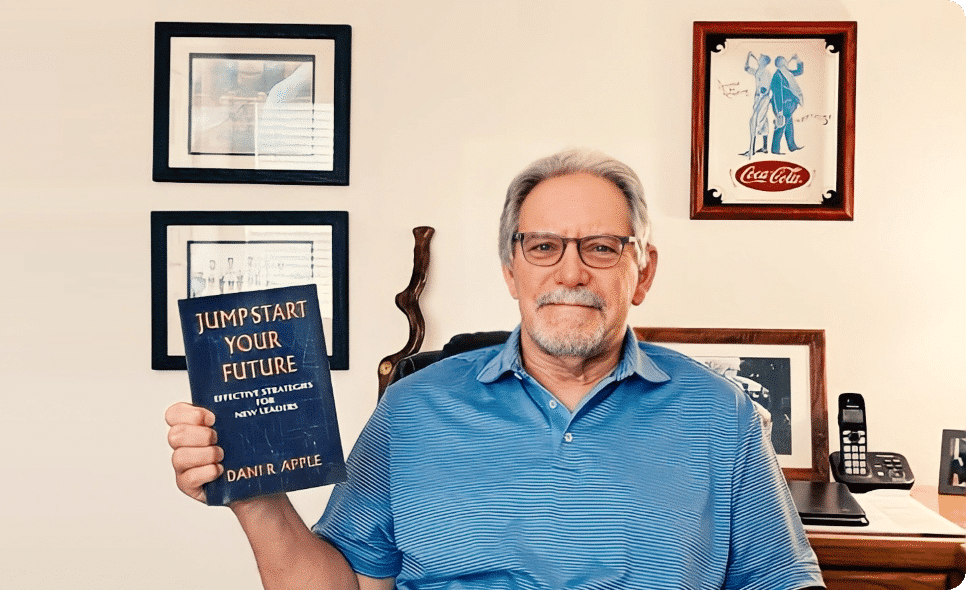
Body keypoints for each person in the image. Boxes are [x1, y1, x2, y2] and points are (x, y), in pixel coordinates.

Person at [166, 149, 823, 590]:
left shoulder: (719, 414)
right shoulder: (413, 410)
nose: (570, 272)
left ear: (642, 271)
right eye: (543, 247)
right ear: (512, 270)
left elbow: (785, 582)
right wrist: (254, 497)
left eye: (600, 247)